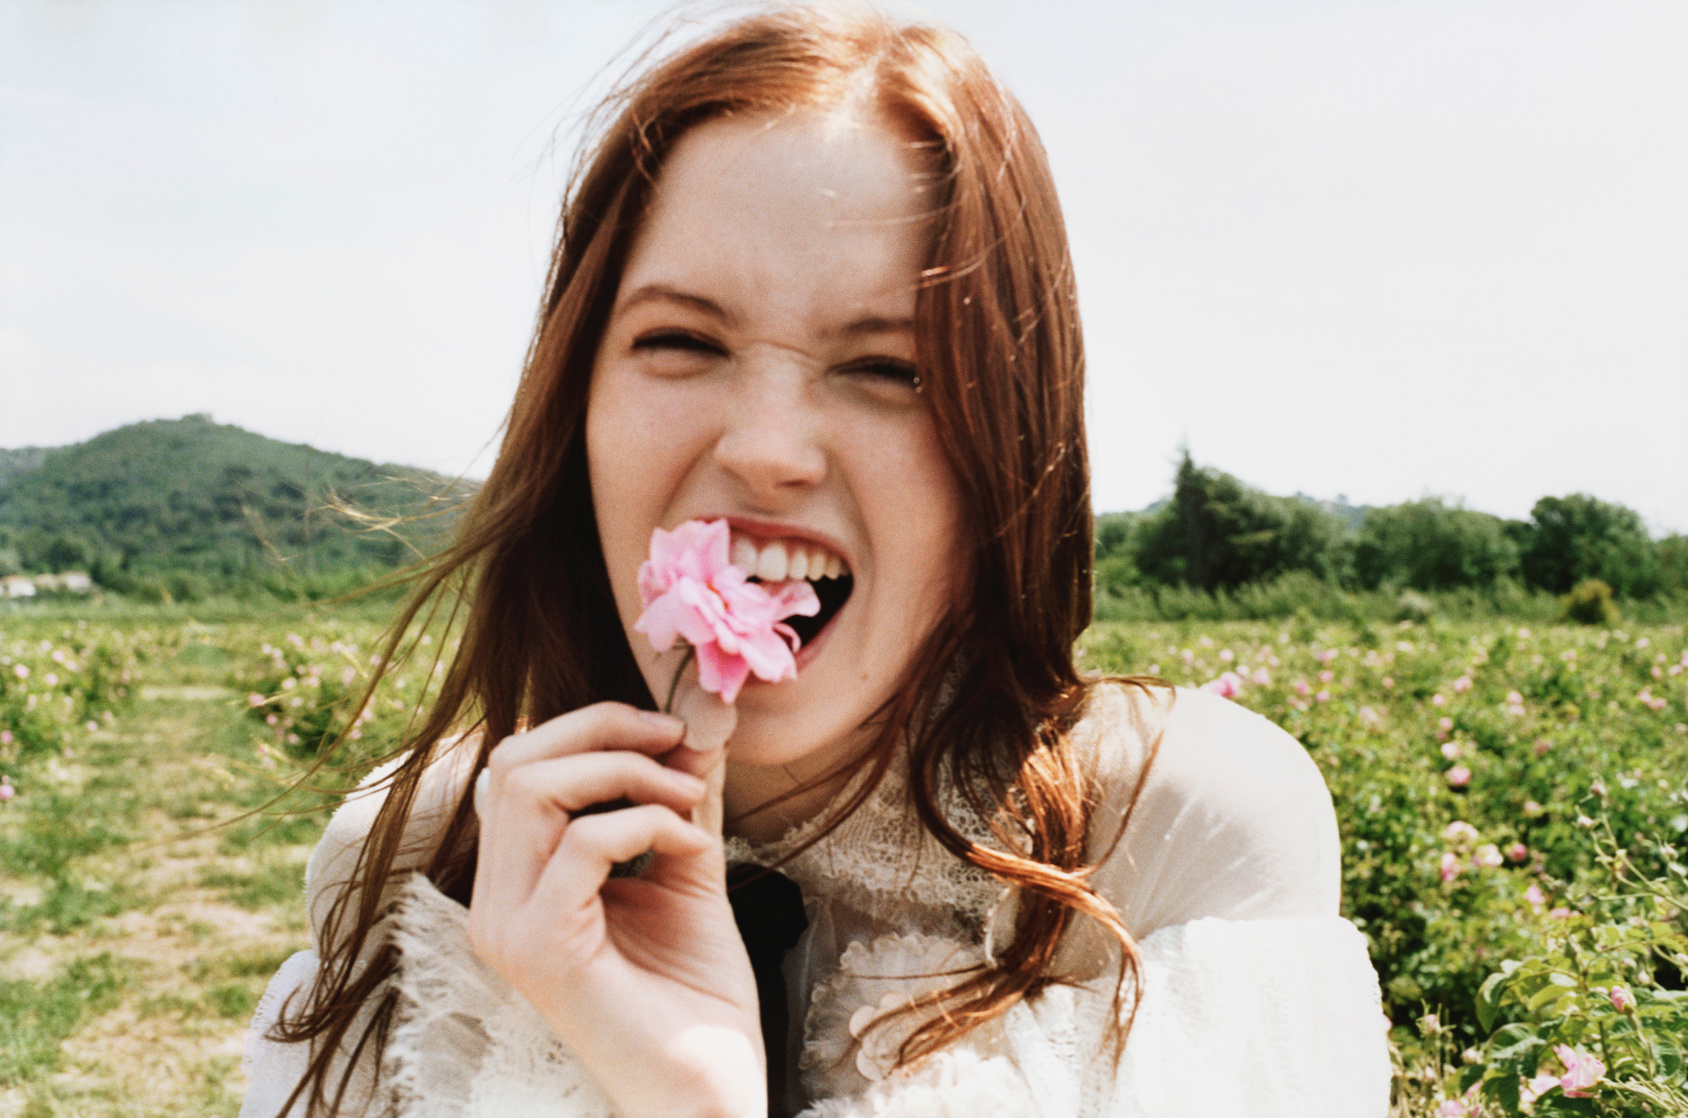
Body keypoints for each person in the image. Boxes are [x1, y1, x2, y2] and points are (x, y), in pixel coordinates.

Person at [241, 6, 1391, 1116]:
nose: (765, 451)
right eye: (681, 341)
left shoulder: (1173, 850)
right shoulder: (413, 858)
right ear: (574, 406)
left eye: (890, 368)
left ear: (1009, 447)